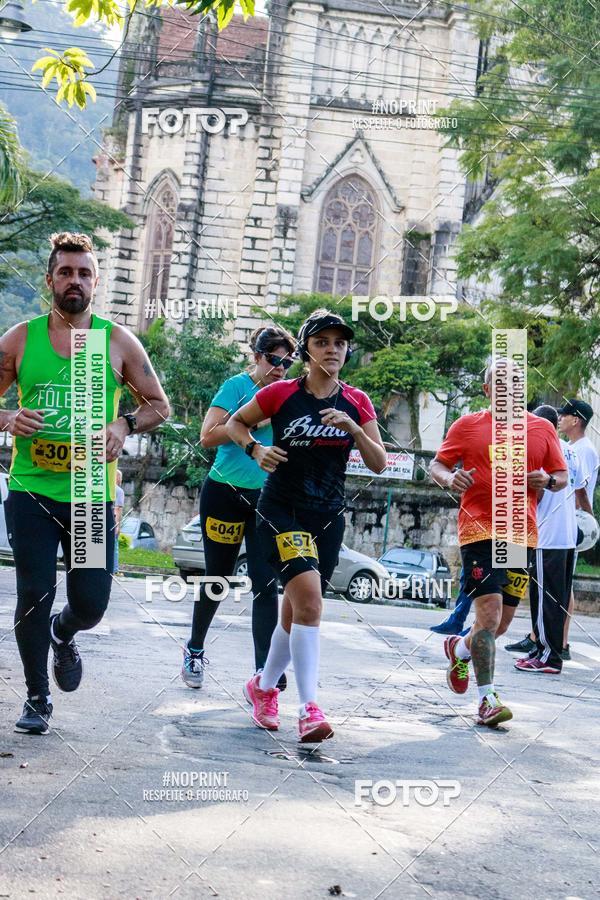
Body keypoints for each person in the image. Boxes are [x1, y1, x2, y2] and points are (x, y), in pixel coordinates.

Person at [1, 232, 170, 735]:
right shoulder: (19, 339)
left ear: (96, 282)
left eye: (85, 273)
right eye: (66, 272)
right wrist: (7, 417)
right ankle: (36, 697)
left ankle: (64, 632)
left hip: (91, 497)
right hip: (32, 491)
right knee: (33, 593)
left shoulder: (115, 341)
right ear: (49, 278)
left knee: (92, 604)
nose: (75, 281)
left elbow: (159, 406)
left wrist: (122, 425)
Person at [226, 310, 386, 742]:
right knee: (311, 603)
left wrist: (354, 427)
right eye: (322, 342)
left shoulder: (357, 401)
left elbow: (378, 462)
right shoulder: (281, 393)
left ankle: (261, 688)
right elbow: (233, 422)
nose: (332, 349)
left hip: (328, 514)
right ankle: (309, 707)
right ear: (306, 351)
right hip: (282, 509)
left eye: (339, 343)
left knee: (296, 612)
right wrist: (255, 449)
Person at [430, 359, 567, 727]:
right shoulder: (468, 425)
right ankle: (487, 699)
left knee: (500, 625)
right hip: (479, 530)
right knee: (487, 616)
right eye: (500, 382)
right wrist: (450, 478)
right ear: (488, 390)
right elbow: (437, 465)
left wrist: (547, 480)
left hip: (522, 534)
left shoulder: (542, 430)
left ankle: (458, 648)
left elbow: (561, 476)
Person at [181, 325, 296, 690]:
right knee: (219, 577)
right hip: (224, 493)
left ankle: (264, 674)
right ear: (257, 357)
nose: (280, 368)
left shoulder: (287, 394)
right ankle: (195, 649)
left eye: (287, 362)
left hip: (267, 499)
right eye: (274, 360)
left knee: (266, 584)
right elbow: (207, 435)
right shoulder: (236, 387)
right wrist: (253, 421)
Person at [514, 406, 591, 673]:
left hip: (548, 533)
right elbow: (580, 491)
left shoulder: (542, 448)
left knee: (545, 597)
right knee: (551, 597)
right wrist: (589, 525)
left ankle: (550, 656)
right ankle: (542, 650)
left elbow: (541, 492)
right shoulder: (570, 451)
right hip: (566, 534)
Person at [557, 399, 599, 659]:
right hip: (566, 518)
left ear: (576, 420)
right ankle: (544, 637)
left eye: (564, 414)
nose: (560, 418)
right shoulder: (573, 446)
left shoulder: (584, 449)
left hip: (574, 521)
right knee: (558, 580)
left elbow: (580, 488)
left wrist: (589, 521)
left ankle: (561, 641)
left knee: (563, 580)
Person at [113, 469, 125, 576]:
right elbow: (117, 509)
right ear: (116, 477)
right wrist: (117, 526)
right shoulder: (119, 491)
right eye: (120, 477)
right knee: (114, 546)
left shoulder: (106, 488)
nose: (121, 480)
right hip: (112, 521)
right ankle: (115, 569)